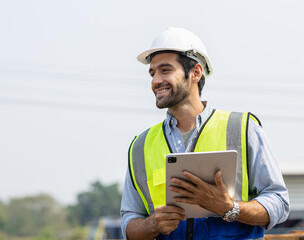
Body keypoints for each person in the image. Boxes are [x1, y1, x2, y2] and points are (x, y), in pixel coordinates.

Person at [120, 27, 290, 240]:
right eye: (152, 73)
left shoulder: (244, 129)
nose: (155, 81)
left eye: (165, 70)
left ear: (196, 73)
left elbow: (279, 203)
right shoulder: (140, 146)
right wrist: (152, 224)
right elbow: (129, 222)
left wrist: (230, 208)